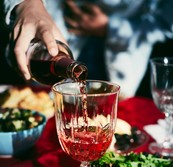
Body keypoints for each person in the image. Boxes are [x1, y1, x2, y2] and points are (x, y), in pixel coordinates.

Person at [3, 0, 173, 99]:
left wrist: (110, 28)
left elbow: (166, 23)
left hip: (121, 63)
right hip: (52, 37)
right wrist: (29, 4)